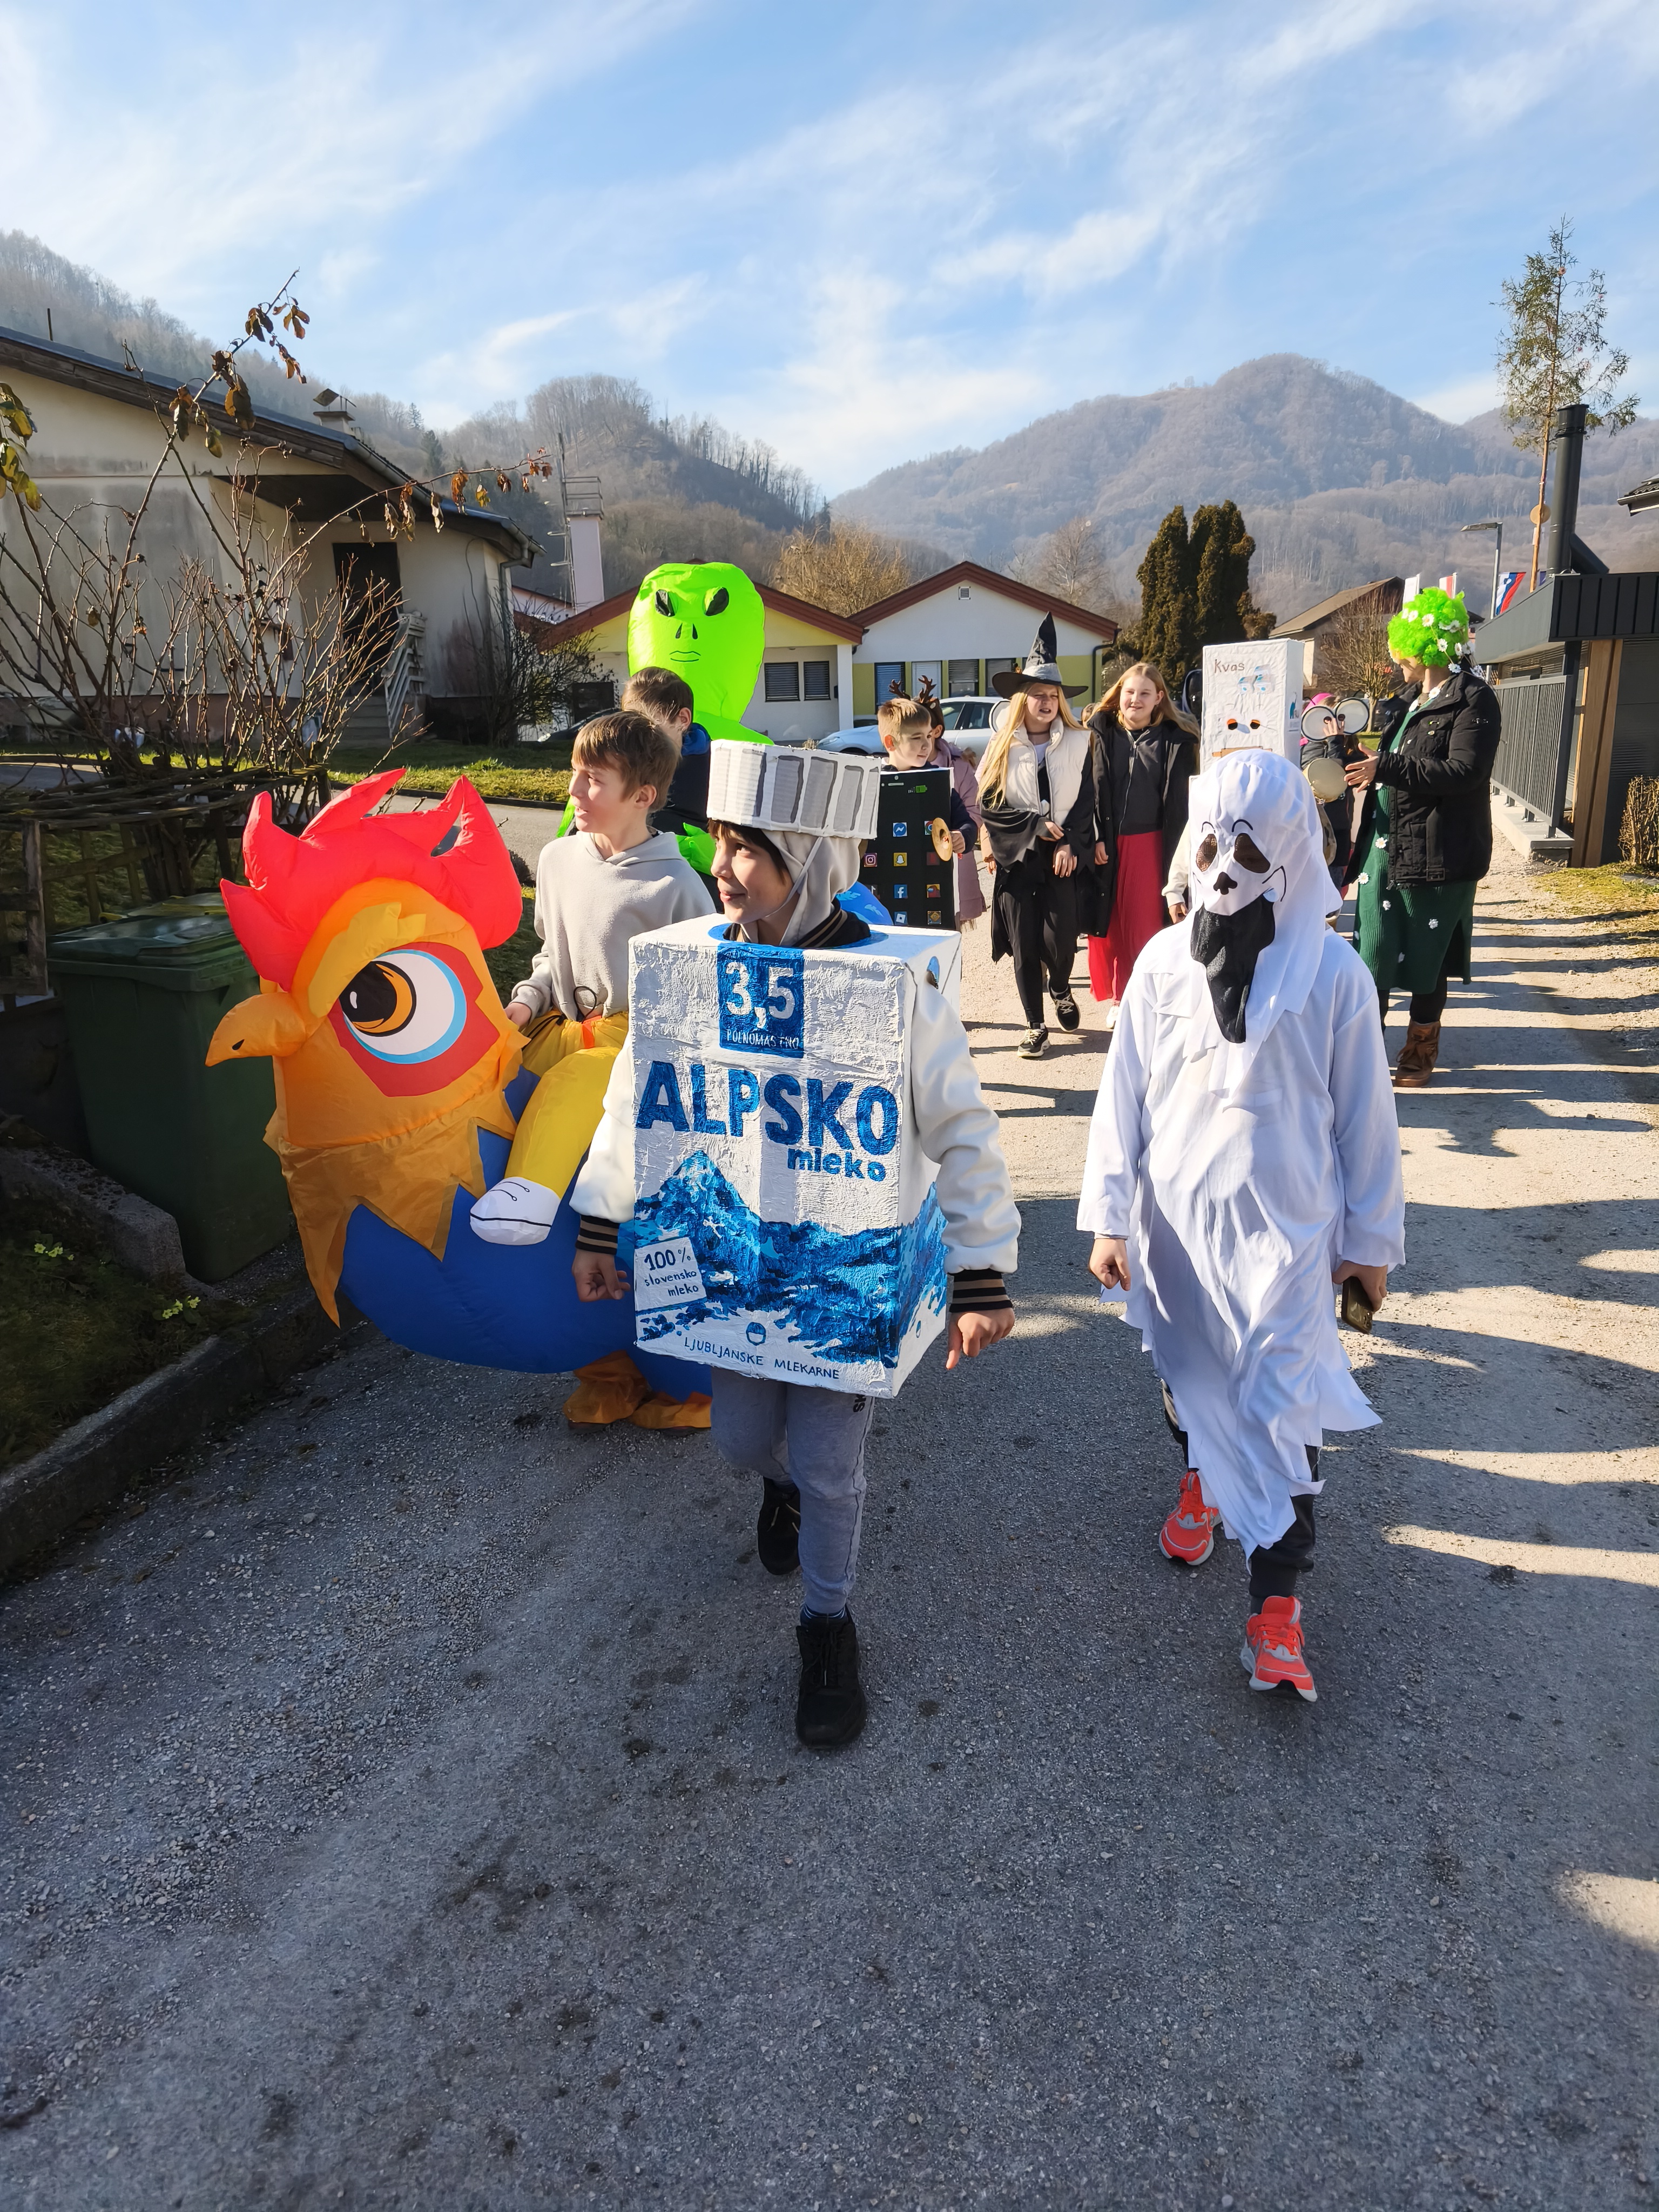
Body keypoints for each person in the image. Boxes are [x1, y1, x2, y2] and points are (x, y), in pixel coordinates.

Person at [567, 754, 1020, 1749]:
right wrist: (603, 1218)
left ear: (807, 859)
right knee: (740, 1444)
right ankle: (778, 1489)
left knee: (828, 1464)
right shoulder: (693, 970)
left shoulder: (889, 988)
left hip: (842, 1288)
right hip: (730, 1279)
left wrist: (980, 1270)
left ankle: (827, 1626)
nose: (721, 868)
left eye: (748, 849)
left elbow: (962, 1128)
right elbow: (634, 1099)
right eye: (720, 844)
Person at [1078, 746, 1404, 1703]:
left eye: (1251, 852)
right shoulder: (1160, 964)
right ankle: (1203, 1477)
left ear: (1293, 853)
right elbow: (1123, 1095)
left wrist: (1369, 1246)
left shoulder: (1336, 978)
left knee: (1283, 1407)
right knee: (1191, 1381)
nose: (1224, 871)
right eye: (1211, 844)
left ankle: (1276, 1610)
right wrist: (1108, 1216)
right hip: (1177, 1234)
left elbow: (1366, 1119)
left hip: (1287, 1239)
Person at [471, 709, 714, 1425]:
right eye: (574, 772)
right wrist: (523, 1004)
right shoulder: (557, 860)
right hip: (564, 1034)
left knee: (634, 1203)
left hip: (641, 1049)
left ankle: (690, 1380)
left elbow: (694, 1003)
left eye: (593, 778)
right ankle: (606, 1369)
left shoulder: (679, 886)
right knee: (493, 1097)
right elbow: (550, 956)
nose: (574, 789)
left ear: (644, 794)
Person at [1345, 588, 1500, 1088]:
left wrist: (1386, 767)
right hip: (1385, 849)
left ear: (1423, 647)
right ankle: (1363, 1053)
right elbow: (1392, 764)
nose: (1396, 661)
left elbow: (1466, 771)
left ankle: (1420, 1046)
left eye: (1402, 651)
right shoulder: (1409, 703)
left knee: (1427, 957)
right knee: (1372, 952)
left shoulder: (1474, 698)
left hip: (1438, 852)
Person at [977, 615, 1093, 1058]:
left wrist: (1070, 842)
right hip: (1018, 856)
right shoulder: (1001, 746)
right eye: (1038, 695)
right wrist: (1033, 826)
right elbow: (989, 803)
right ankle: (1035, 1025)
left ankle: (1060, 985)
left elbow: (1088, 800)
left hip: (1061, 856)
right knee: (1025, 945)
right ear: (1021, 699)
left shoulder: (1081, 742)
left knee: (1061, 940)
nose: (1046, 703)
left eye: (1052, 695)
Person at [1082, 660, 1197, 1028]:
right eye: (1129, 692)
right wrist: (1096, 837)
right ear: (1119, 695)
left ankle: (1142, 995)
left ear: (1159, 698)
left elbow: (1185, 800)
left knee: (1145, 925)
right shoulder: (1099, 732)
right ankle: (1119, 997)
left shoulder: (1176, 739)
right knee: (1111, 924)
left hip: (1152, 842)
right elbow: (1088, 790)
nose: (1136, 699)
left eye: (1145, 693)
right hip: (1107, 842)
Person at [876, 695, 980, 893]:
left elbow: (966, 822)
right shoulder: (873, 782)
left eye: (929, 736)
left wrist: (962, 836)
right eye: (917, 738)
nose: (927, 745)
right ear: (891, 743)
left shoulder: (938, 780)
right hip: (884, 883)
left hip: (931, 884)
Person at [623, 664, 714, 860]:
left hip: (697, 876)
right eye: (628, 723)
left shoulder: (720, 768)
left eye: (648, 725)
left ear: (683, 719)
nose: (636, 736)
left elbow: (740, 844)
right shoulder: (617, 764)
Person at [923, 692, 988, 926]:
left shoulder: (957, 766)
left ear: (936, 731)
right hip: (913, 863)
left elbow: (974, 809)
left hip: (952, 860)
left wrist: (962, 834)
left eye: (923, 734)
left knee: (951, 923)